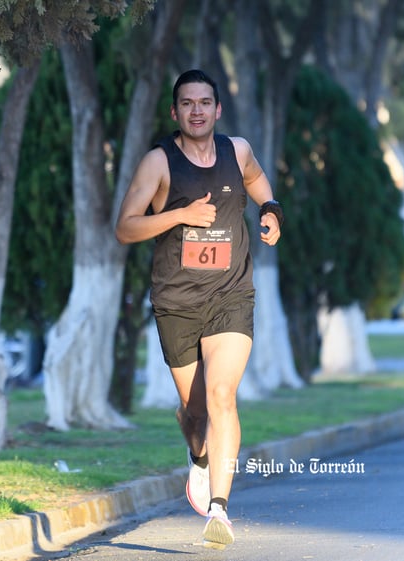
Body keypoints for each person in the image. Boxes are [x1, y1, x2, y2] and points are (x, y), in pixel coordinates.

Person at [114, 69, 282, 549]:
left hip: (231, 294)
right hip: (177, 302)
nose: (197, 110)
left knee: (223, 396)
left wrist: (271, 208)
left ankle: (221, 510)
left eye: (204, 102)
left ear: (217, 109)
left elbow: (256, 179)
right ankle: (199, 457)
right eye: (187, 103)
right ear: (175, 112)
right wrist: (181, 215)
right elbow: (125, 228)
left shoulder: (238, 150)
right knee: (195, 413)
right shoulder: (159, 164)